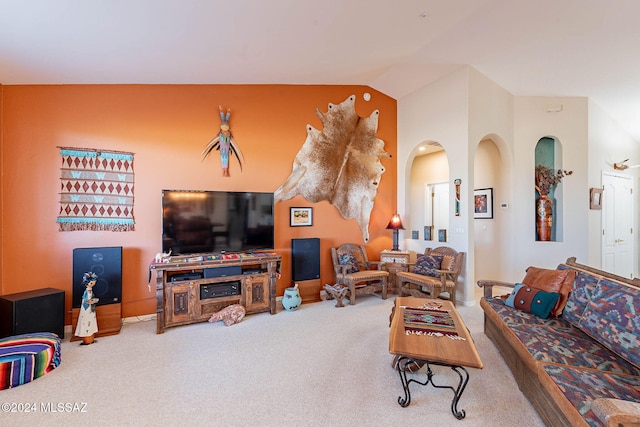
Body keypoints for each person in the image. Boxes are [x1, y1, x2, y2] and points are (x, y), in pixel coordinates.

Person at [75, 272, 99, 345]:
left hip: (90, 309)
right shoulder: (87, 291)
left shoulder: (90, 290)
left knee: (91, 321)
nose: (93, 284)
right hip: (86, 310)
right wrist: (92, 301)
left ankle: (90, 339)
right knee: (86, 322)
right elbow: (86, 300)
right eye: (92, 283)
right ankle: (87, 340)